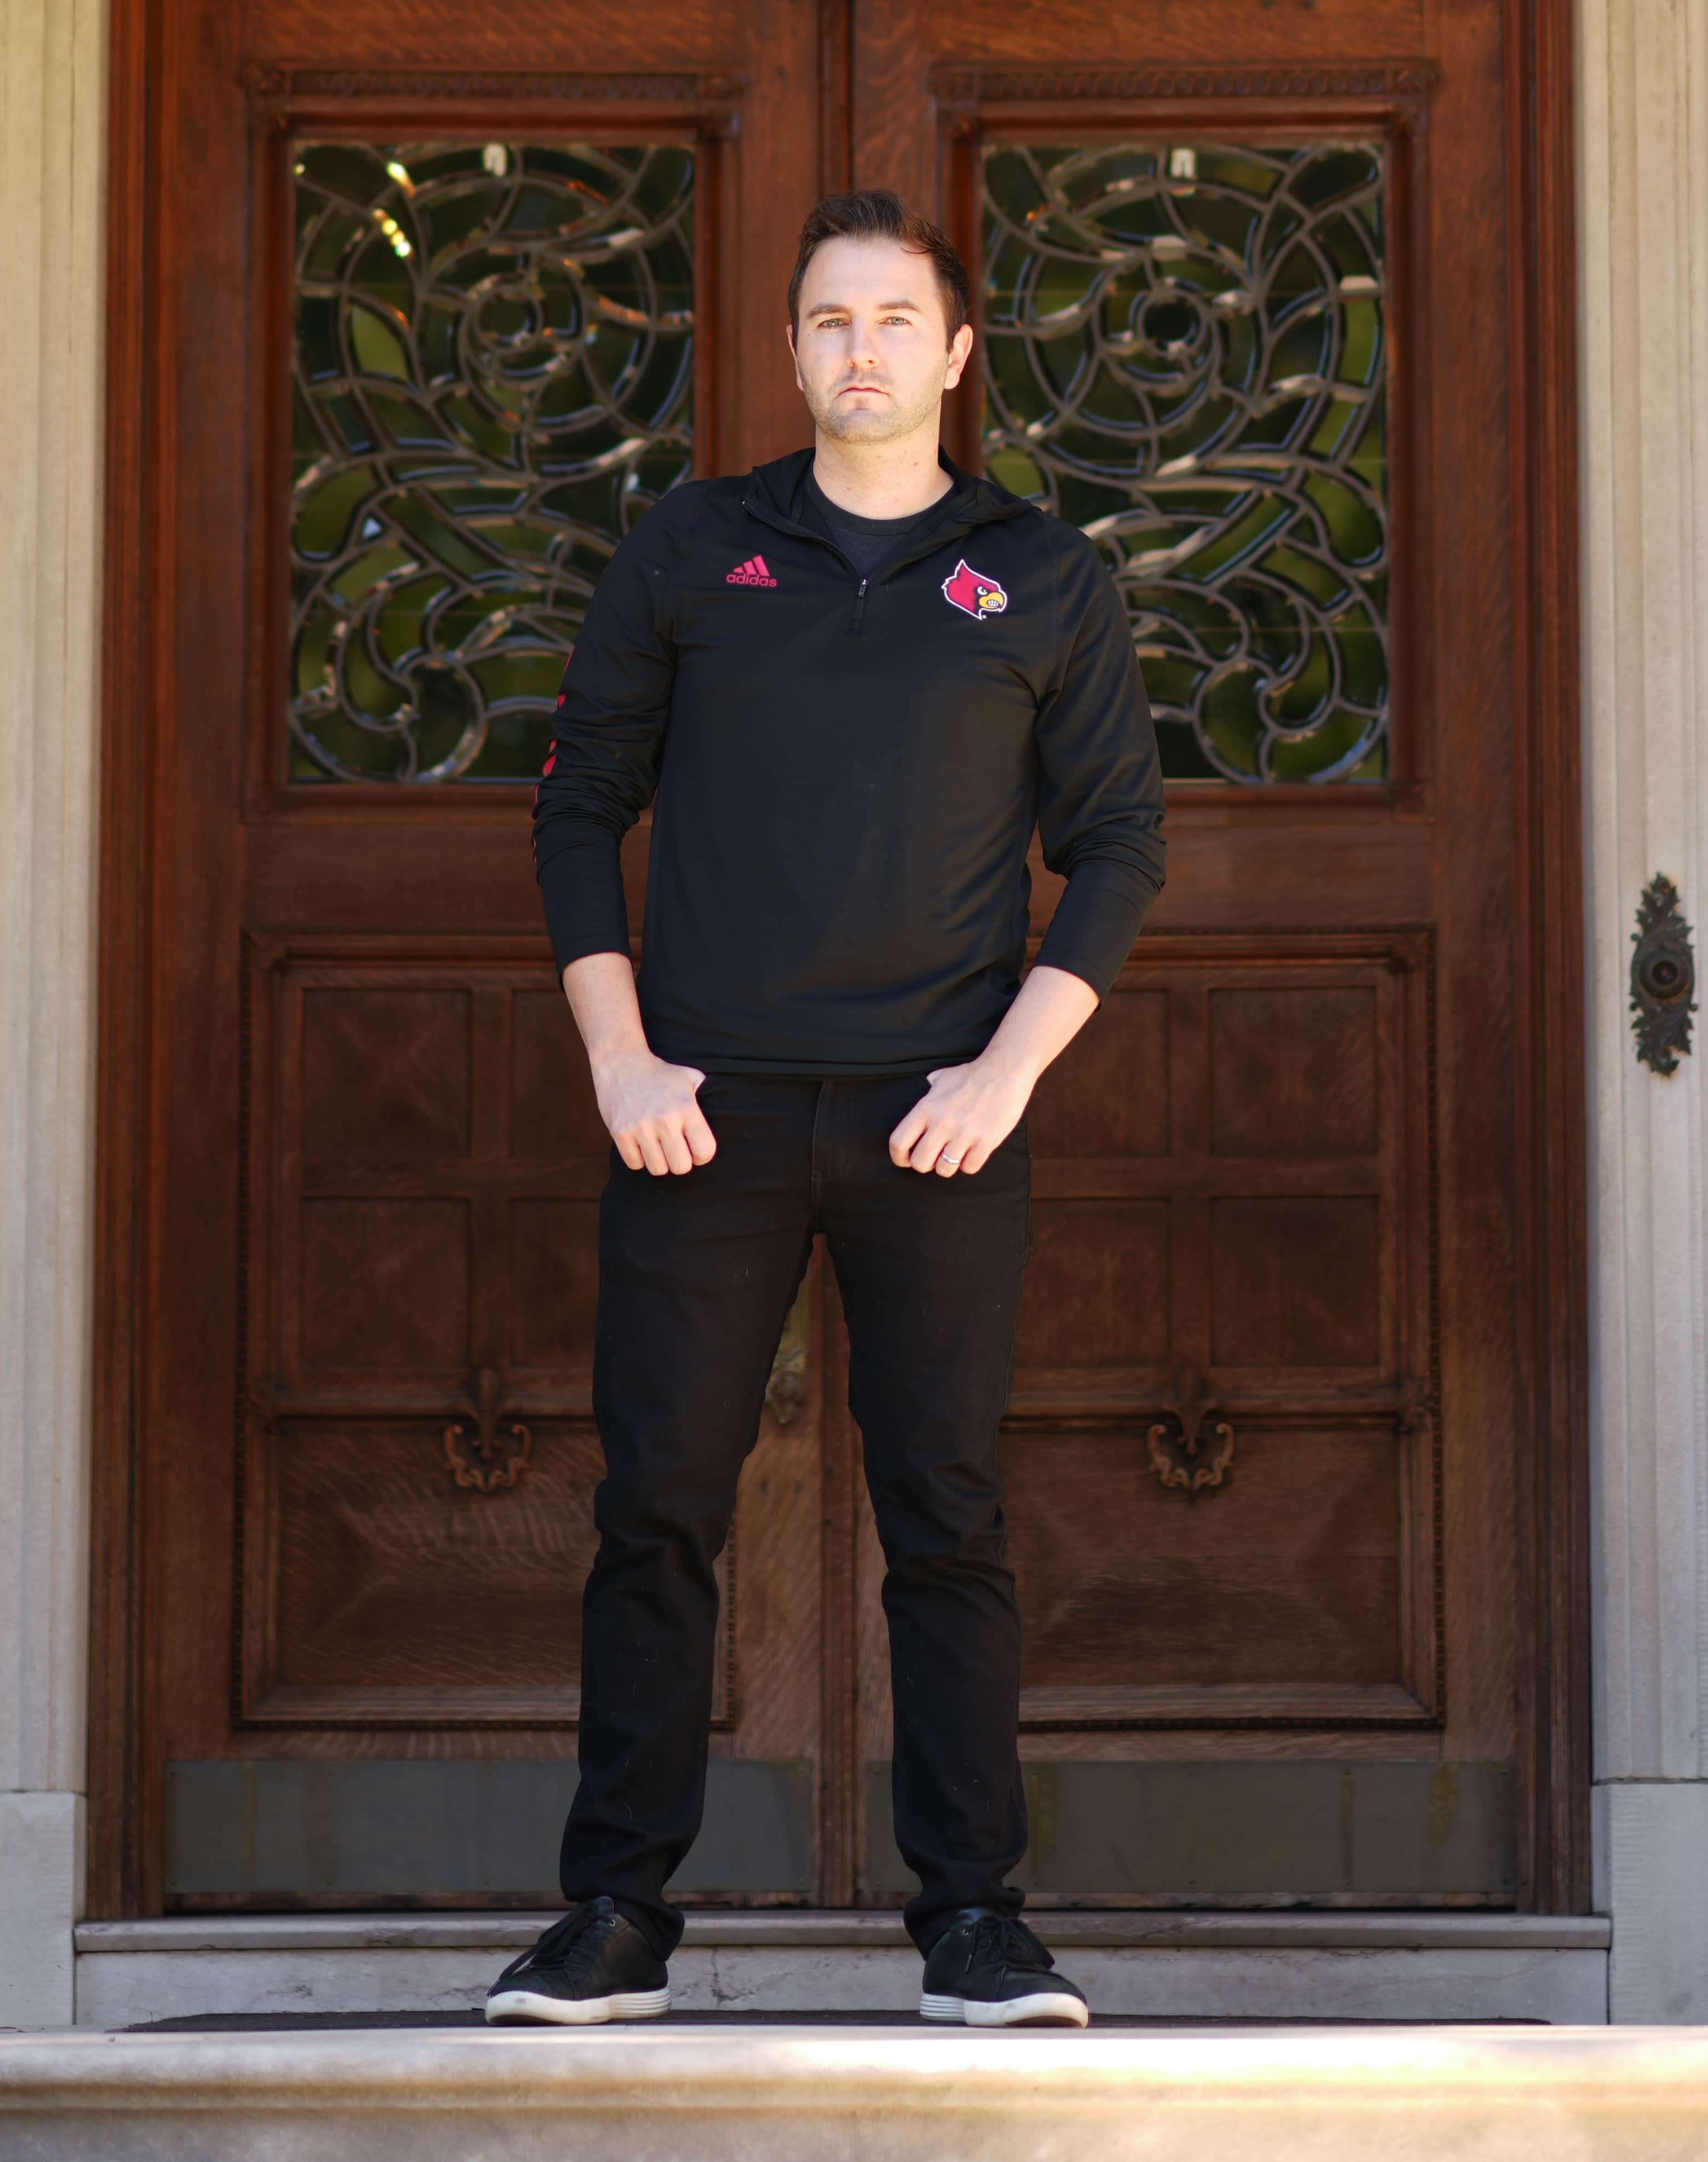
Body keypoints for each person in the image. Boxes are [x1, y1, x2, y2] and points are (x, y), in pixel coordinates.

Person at [483, 186, 1167, 2033]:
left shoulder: (1039, 575)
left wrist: (1005, 1074)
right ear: (789, 354)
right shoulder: (697, 547)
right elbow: (575, 804)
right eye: (826, 322)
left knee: (945, 1515)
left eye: (894, 320)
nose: (859, 351)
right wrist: (619, 1056)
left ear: (954, 354)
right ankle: (615, 1913)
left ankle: (974, 1923)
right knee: (659, 1511)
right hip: (696, 1113)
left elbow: (1115, 846)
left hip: (937, 1118)